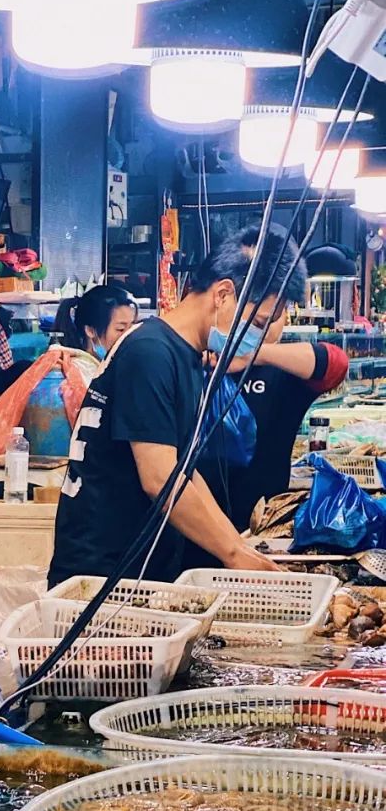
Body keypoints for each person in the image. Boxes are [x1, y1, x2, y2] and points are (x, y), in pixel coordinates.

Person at [48, 224, 306, 587]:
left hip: (141, 572)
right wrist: (232, 555)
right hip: (101, 577)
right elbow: (160, 478)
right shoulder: (151, 352)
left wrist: (239, 548)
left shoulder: (186, 355)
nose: (255, 340)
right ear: (224, 294)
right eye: (258, 323)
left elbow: (185, 470)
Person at [195, 296, 349, 542]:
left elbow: (337, 364)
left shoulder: (287, 370)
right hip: (193, 519)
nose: (262, 328)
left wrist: (252, 355)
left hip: (262, 523)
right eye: (256, 320)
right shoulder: (200, 361)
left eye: (272, 319)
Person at [54, 283, 139, 360]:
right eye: (120, 329)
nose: (129, 335)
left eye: (133, 327)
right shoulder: (78, 370)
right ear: (90, 330)